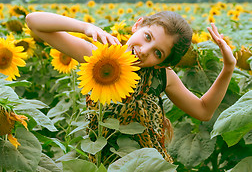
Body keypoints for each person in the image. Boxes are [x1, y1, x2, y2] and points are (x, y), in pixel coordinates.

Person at [25, 11, 236, 164]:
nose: (145, 51)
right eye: (148, 37)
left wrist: (228, 68)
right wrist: (86, 27)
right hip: (99, 159)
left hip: (145, 165)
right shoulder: (101, 57)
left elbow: (203, 110)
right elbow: (33, 22)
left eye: (158, 53)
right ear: (138, 25)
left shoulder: (161, 75)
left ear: (162, 63)